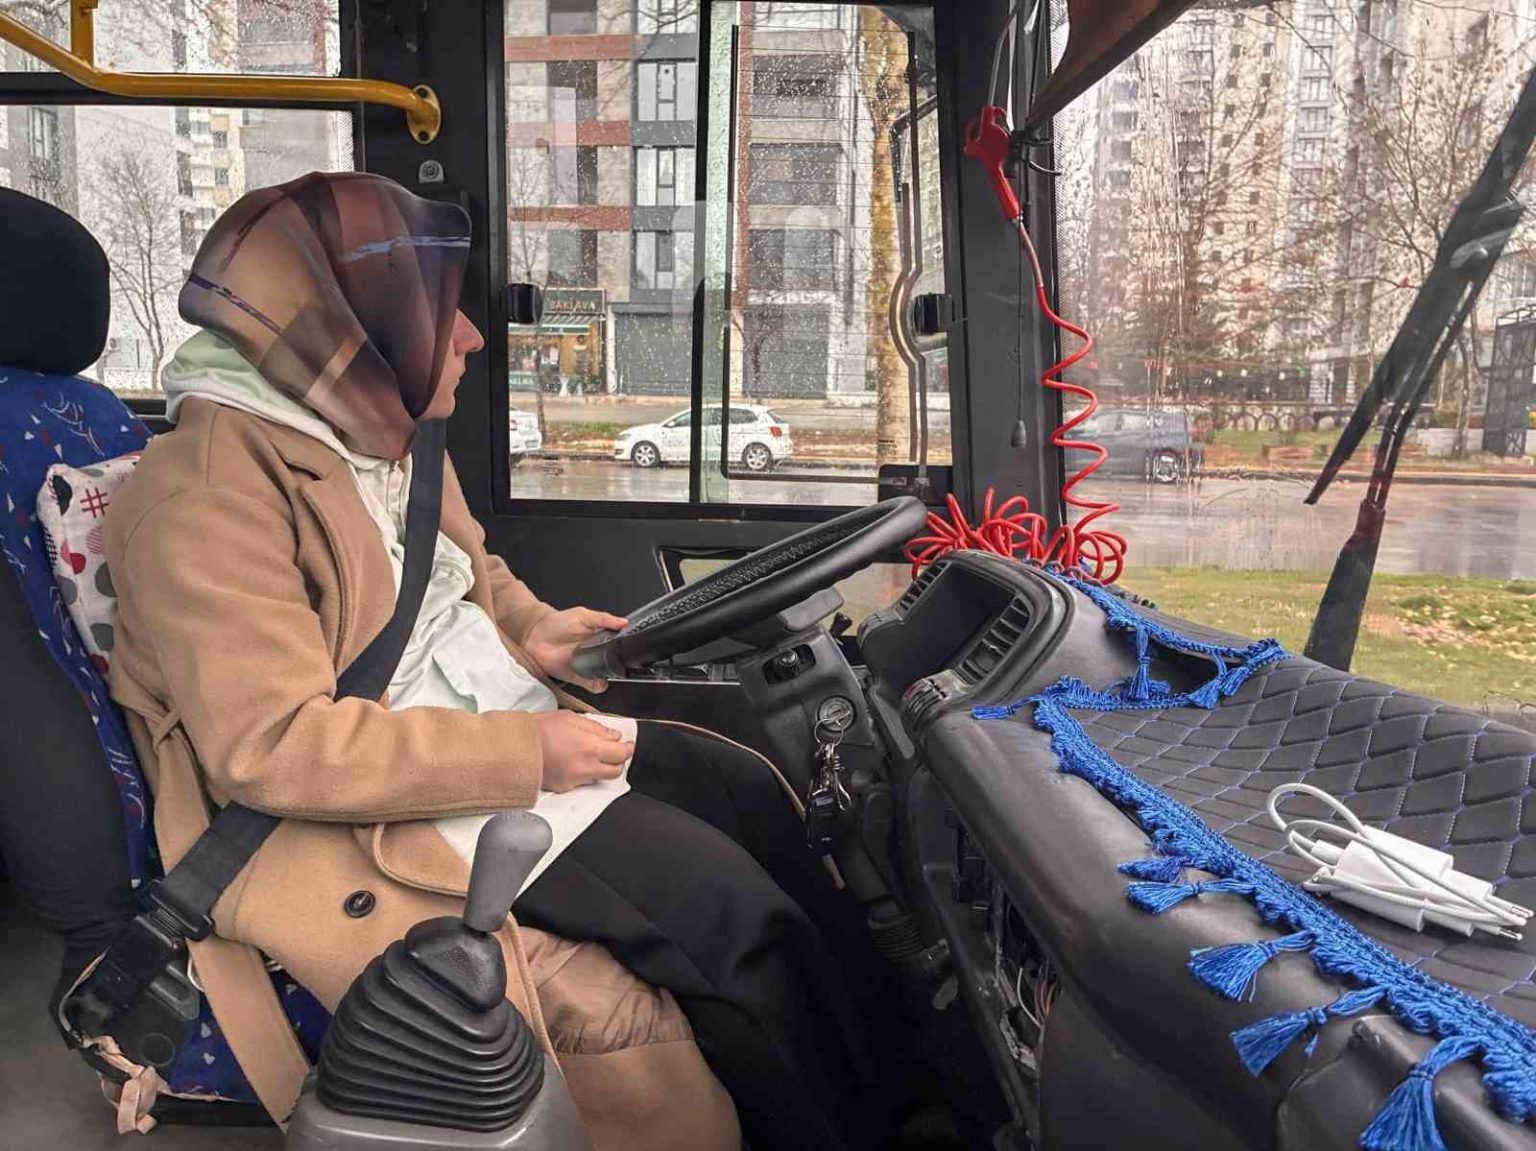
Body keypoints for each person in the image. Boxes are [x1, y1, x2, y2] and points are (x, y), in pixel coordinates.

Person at [105, 172, 896, 1151]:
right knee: (728, 917)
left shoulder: (374, 426)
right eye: (441, 311)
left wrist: (534, 629)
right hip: (366, 810)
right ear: (354, 324)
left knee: (752, 796)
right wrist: (527, 754)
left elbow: (467, 575)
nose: (474, 337)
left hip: (480, 729)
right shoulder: (202, 496)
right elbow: (272, 746)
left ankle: (896, 1075)